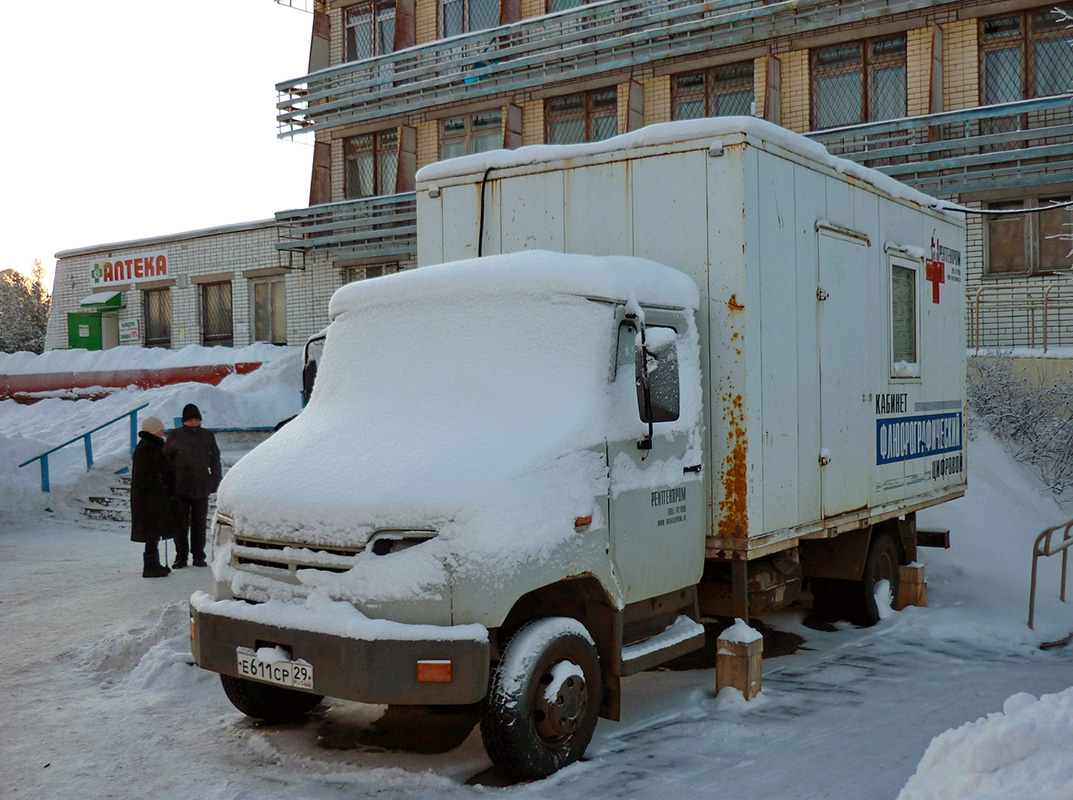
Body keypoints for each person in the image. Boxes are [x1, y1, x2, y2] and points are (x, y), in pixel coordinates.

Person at [164, 403, 222, 569]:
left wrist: (215, 479)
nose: (194, 422)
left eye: (197, 419)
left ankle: (198, 556)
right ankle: (181, 557)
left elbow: (215, 459)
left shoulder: (207, 435)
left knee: (199, 523)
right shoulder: (175, 436)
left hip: (201, 484)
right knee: (180, 524)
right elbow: (167, 461)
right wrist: (169, 484)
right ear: (184, 421)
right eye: (190, 420)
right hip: (180, 485)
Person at [130, 415, 179, 578]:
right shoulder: (148, 448)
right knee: (151, 531)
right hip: (150, 498)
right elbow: (149, 475)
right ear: (153, 431)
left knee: (154, 531)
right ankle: (150, 567)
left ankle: (154, 564)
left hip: (153, 497)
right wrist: (163, 485)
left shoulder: (151, 446)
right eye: (160, 430)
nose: (163, 432)